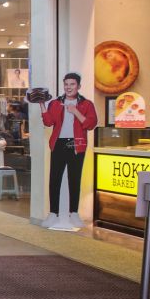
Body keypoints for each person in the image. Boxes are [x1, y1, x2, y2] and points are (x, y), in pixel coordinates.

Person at [39, 72, 98, 229]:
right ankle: (53, 214)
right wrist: (42, 105)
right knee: (54, 179)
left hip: (76, 144)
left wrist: (75, 111)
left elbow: (91, 124)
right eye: (66, 84)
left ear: (78, 86)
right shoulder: (55, 103)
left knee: (74, 179)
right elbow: (49, 122)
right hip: (58, 143)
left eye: (72, 84)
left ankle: (74, 213)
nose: (68, 87)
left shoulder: (86, 104)